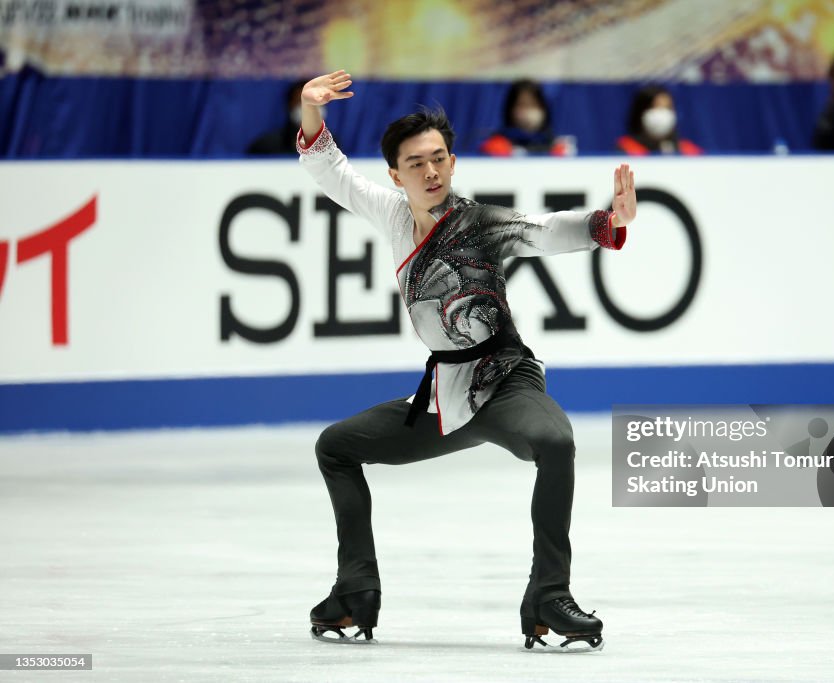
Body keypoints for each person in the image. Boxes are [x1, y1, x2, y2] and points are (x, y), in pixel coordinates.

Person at [296, 69, 636, 651]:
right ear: (396, 174)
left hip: (506, 381)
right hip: (442, 396)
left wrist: (608, 223)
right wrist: (310, 110)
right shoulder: (394, 216)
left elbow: (546, 230)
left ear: (452, 163)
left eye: (438, 159)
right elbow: (332, 174)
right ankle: (356, 592)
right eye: (415, 163)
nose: (429, 172)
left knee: (555, 443)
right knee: (336, 446)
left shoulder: (480, 222)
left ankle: (548, 597)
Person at [479, 79, 573, 156]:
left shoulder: (557, 147)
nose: (529, 111)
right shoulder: (497, 145)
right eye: (522, 105)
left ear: (544, 109)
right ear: (510, 109)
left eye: (534, 105)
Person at [617, 85, 702, 156]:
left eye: (667, 108)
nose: (662, 113)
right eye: (656, 107)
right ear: (641, 111)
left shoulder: (688, 150)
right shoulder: (626, 149)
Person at [246, 80, 309, 155]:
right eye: (302, 102)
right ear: (290, 105)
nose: (310, 108)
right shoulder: (266, 146)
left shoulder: (326, 146)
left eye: (316, 103)